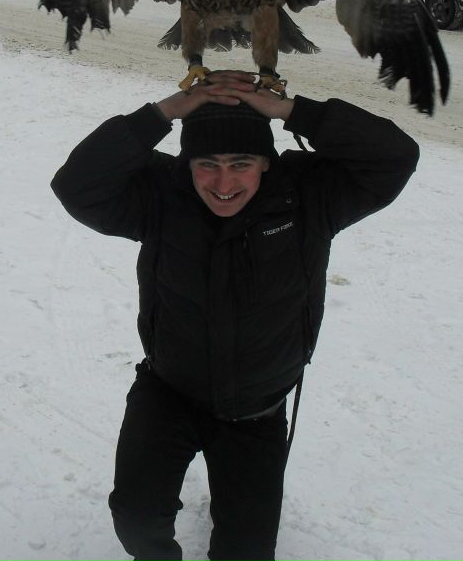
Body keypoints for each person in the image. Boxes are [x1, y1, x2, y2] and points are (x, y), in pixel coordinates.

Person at [50, 70, 420, 561]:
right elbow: (77, 184)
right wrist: (168, 111)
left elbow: (396, 156)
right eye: (207, 164)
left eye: (241, 163)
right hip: (169, 391)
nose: (224, 183)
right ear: (187, 165)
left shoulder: (310, 197)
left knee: (246, 552)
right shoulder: (161, 197)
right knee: (137, 520)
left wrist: (291, 111)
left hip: (256, 409)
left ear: (265, 163)